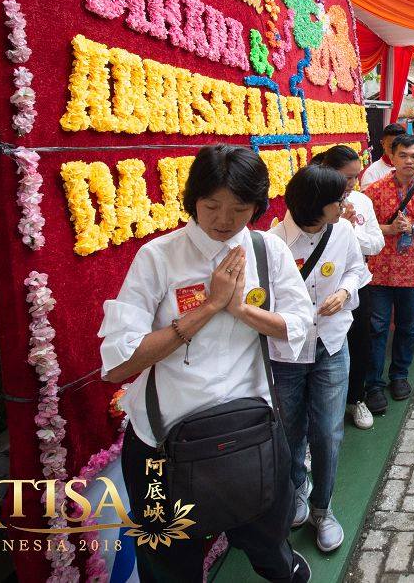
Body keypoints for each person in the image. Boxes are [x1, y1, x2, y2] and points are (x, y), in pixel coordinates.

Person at [99, 145, 313, 582]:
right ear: (192, 199)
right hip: (163, 442)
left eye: (239, 208)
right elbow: (119, 365)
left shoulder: (267, 250)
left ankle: (285, 571)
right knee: (167, 558)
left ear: (257, 207)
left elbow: (298, 323)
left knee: (267, 536)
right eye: (212, 205)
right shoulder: (159, 256)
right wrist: (209, 307)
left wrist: (241, 310)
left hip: (250, 430)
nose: (224, 220)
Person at [269, 164, 367, 551]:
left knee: (327, 432)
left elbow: (357, 269)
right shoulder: (273, 243)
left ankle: (323, 509)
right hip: (286, 353)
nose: (345, 206)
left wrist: (343, 292)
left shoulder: (342, 231)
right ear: (314, 205)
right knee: (289, 429)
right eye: (338, 201)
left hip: (331, 344)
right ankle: (297, 488)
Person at [363, 134, 414, 415]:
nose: (409, 161)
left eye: (413, 156)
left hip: (413, 270)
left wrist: (413, 229)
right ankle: (373, 384)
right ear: (392, 157)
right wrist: (390, 229)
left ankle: (399, 375)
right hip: (380, 271)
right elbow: (365, 227)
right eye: (403, 155)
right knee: (377, 328)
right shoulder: (374, 190)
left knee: (407, 326)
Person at [312, 145, 384, 429]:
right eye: (346, 177)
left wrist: (350, 231)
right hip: (322, 287)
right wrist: (336, 225)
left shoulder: (362, 202)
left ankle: (356, 398)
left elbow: (376, 244)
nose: (352, 183)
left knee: (359, 342)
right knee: (323, 346)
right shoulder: (313, 201)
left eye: (356, 177)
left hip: (357, 283)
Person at [361, 122, 406, 187]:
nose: (396, 150)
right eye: (392, 146)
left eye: (400, 146)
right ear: (382, 144)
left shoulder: (411, 167)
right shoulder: (372, 172)